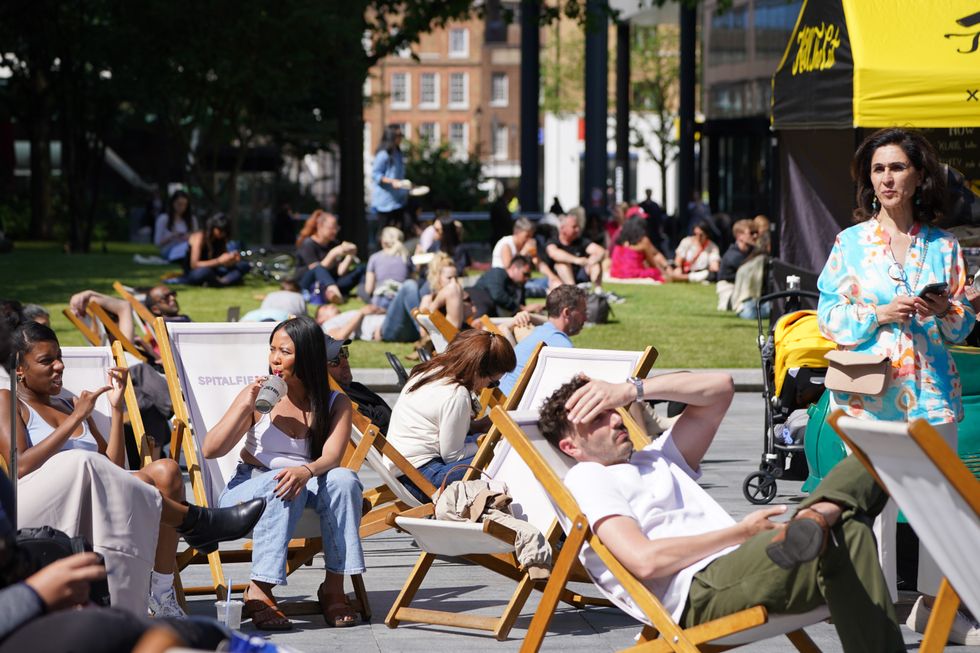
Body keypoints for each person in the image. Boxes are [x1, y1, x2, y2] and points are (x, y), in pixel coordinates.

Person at [538, 373, 905, 653]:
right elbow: (644, 561)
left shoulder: (658, 456)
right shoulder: (588, 477)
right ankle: (819, 514)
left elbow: (720, 389)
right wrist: (738, 534)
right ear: (571, 446)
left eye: (612, 412)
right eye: (597, 420)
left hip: (749, 566)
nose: (616, 420)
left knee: (870, 470)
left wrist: (631, 390)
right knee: (844, 526)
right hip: (701, 590)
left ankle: (817, 516)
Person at [817, 127, 977, 644]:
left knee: (941, 503)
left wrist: (946, 308)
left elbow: (959, 327)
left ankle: (937, 609)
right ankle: (875, 611)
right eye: (878, 169)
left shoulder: (944, 245)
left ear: (917, 176)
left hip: (933, 394)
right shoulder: (850, 243)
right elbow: (828, 316)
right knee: (873, 507)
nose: (886, 178)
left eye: (897, 168)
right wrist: (877, 313)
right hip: (869, 395)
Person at [0, 322, 265, 617]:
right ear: (19, 369)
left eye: (59, 357)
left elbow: (111, 468)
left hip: (94, 498)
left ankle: (162, 592)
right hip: (37, 506)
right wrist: (76, 419)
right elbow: (19, 465)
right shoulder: (8, 400)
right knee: (82, 461)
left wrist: (115, 409)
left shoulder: (68, 403)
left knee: (166, 470)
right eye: (46, 360)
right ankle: (196, 522)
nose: (59, 366)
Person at [202, 316, 364, 630]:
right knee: (287, 482)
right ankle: (259, 589)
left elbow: (332, 457)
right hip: (248, 487)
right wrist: (244, 406)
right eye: (272, 349)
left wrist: (305, 470)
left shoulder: (334, 402)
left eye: (285, 351)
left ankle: (334, 587)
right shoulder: (258, 395)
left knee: (345, 480)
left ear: (307, 356)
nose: (275, 358)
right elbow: (210, 449)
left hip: (305, 483)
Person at [385, 329, 516, 503]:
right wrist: (489, 442)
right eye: (493, 383)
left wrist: (478, 430)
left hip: (403, 470)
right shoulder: (456, 394)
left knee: (500, 448)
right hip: (422, 479)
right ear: (478, 370)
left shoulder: (431, 372)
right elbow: (453, 456)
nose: (487, 388)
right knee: (505, 455)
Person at [497, 284, 587, 396]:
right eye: (583, 312)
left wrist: (531, 317)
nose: (585, 318)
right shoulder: (560, 345)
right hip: (515, 409)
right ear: (567, 313)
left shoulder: (541, 332)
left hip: (501, 400)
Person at [324, 336, 393, 435]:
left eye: (343, 353)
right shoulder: (340, 402)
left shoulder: (356, 389)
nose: (344, 362)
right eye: (335, 361)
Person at [294, 210, 363, 304]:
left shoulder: (334, 244)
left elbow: (340, 272)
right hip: (308, 283)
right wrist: (332, 254)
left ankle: (364, 294)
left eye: (336, 228)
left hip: (331, 281)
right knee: (318, 267)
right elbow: (316, 270)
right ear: (320, 226)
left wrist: (350, 255)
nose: (335, 231)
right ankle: (335, 293)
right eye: (331, 228)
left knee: (361, 269)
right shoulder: (308, 244)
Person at [176, 213, 250, 287]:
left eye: (225, 231)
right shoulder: (199, 237)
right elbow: (194, 265)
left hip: (215, 270)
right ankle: (224, 281)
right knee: (205, 272)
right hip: (196, 272)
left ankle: (220, 282)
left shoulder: (221, 239)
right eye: (220, 230)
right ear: (212, 227)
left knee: (244, 265)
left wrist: (232, 260)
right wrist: (218, 261)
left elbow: (224, 262)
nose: (223, 234)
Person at [543, 214, 607, 292]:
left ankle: (598, 291)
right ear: (563, 228)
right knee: (561, 265)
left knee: (596, 263)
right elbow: (554, 253)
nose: (577, 229)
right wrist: (576, 260)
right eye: (574, 227)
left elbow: (600, 251)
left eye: (578, 226)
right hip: (561, 279)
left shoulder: (581, 241)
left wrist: (591, 261)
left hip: (581, 274)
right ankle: (574, 290)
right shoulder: (553, 241)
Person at [467, 256, 540, 319]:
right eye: (525, 274)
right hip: (475, 303)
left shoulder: (519, 287)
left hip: (490, 316)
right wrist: (521, 308)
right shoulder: (498, 273)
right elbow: (497, 294)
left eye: (529, 276)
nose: (527, 278)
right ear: (514, 268)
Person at [371, 124, 410, 230]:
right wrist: (392, 182)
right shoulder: (383, 154)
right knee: (384, 234)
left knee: (403, 228)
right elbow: (375, 175)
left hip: (399, 201)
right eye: (398, 135)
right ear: (391, 136)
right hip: (385, 203)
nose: (401, 137)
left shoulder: (398, 153)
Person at [363, 226, 412, 309]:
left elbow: (368, 289)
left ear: (383, 241)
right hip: (401, 299)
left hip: (380, 299)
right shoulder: (406, 256)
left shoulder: (374, 257)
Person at [609, 218, 671, 282]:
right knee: (656, 273)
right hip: (632, 274)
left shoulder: (619, 243)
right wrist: (664, 273)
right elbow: (653, 264)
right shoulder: (643, 242)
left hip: (616, 273)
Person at [716, 219, 758, 311]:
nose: (755, 236)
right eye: (751, 233)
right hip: (730, 295)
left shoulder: (750, 252)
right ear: (740, 236)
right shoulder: (733, 255)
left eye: (756, 232)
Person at [419, 252, 469, 329]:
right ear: (437, 277)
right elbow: (423, 332)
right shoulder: (427, 300)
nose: (454, 282)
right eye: (449, 278)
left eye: (455, 277)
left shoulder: (461, 296)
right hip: (447, 336)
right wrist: (434, 305)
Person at [154, 190, 197, 263]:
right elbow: (157, 243)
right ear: (173, 203)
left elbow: (196, 239)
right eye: (179, 204)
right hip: (169, 248)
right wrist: (172, 236)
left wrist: (189, 237)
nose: (182, 207)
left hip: (187, 246)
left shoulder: (192, 219)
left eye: (184, 205)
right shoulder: (163, 219)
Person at [241, 280, 307, 323]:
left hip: (259, 314)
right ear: (298, 290)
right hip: (284, 315)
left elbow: (263, 307)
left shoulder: (272, 294)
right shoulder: (299, 296)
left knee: (242, 324)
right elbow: (304, 316)